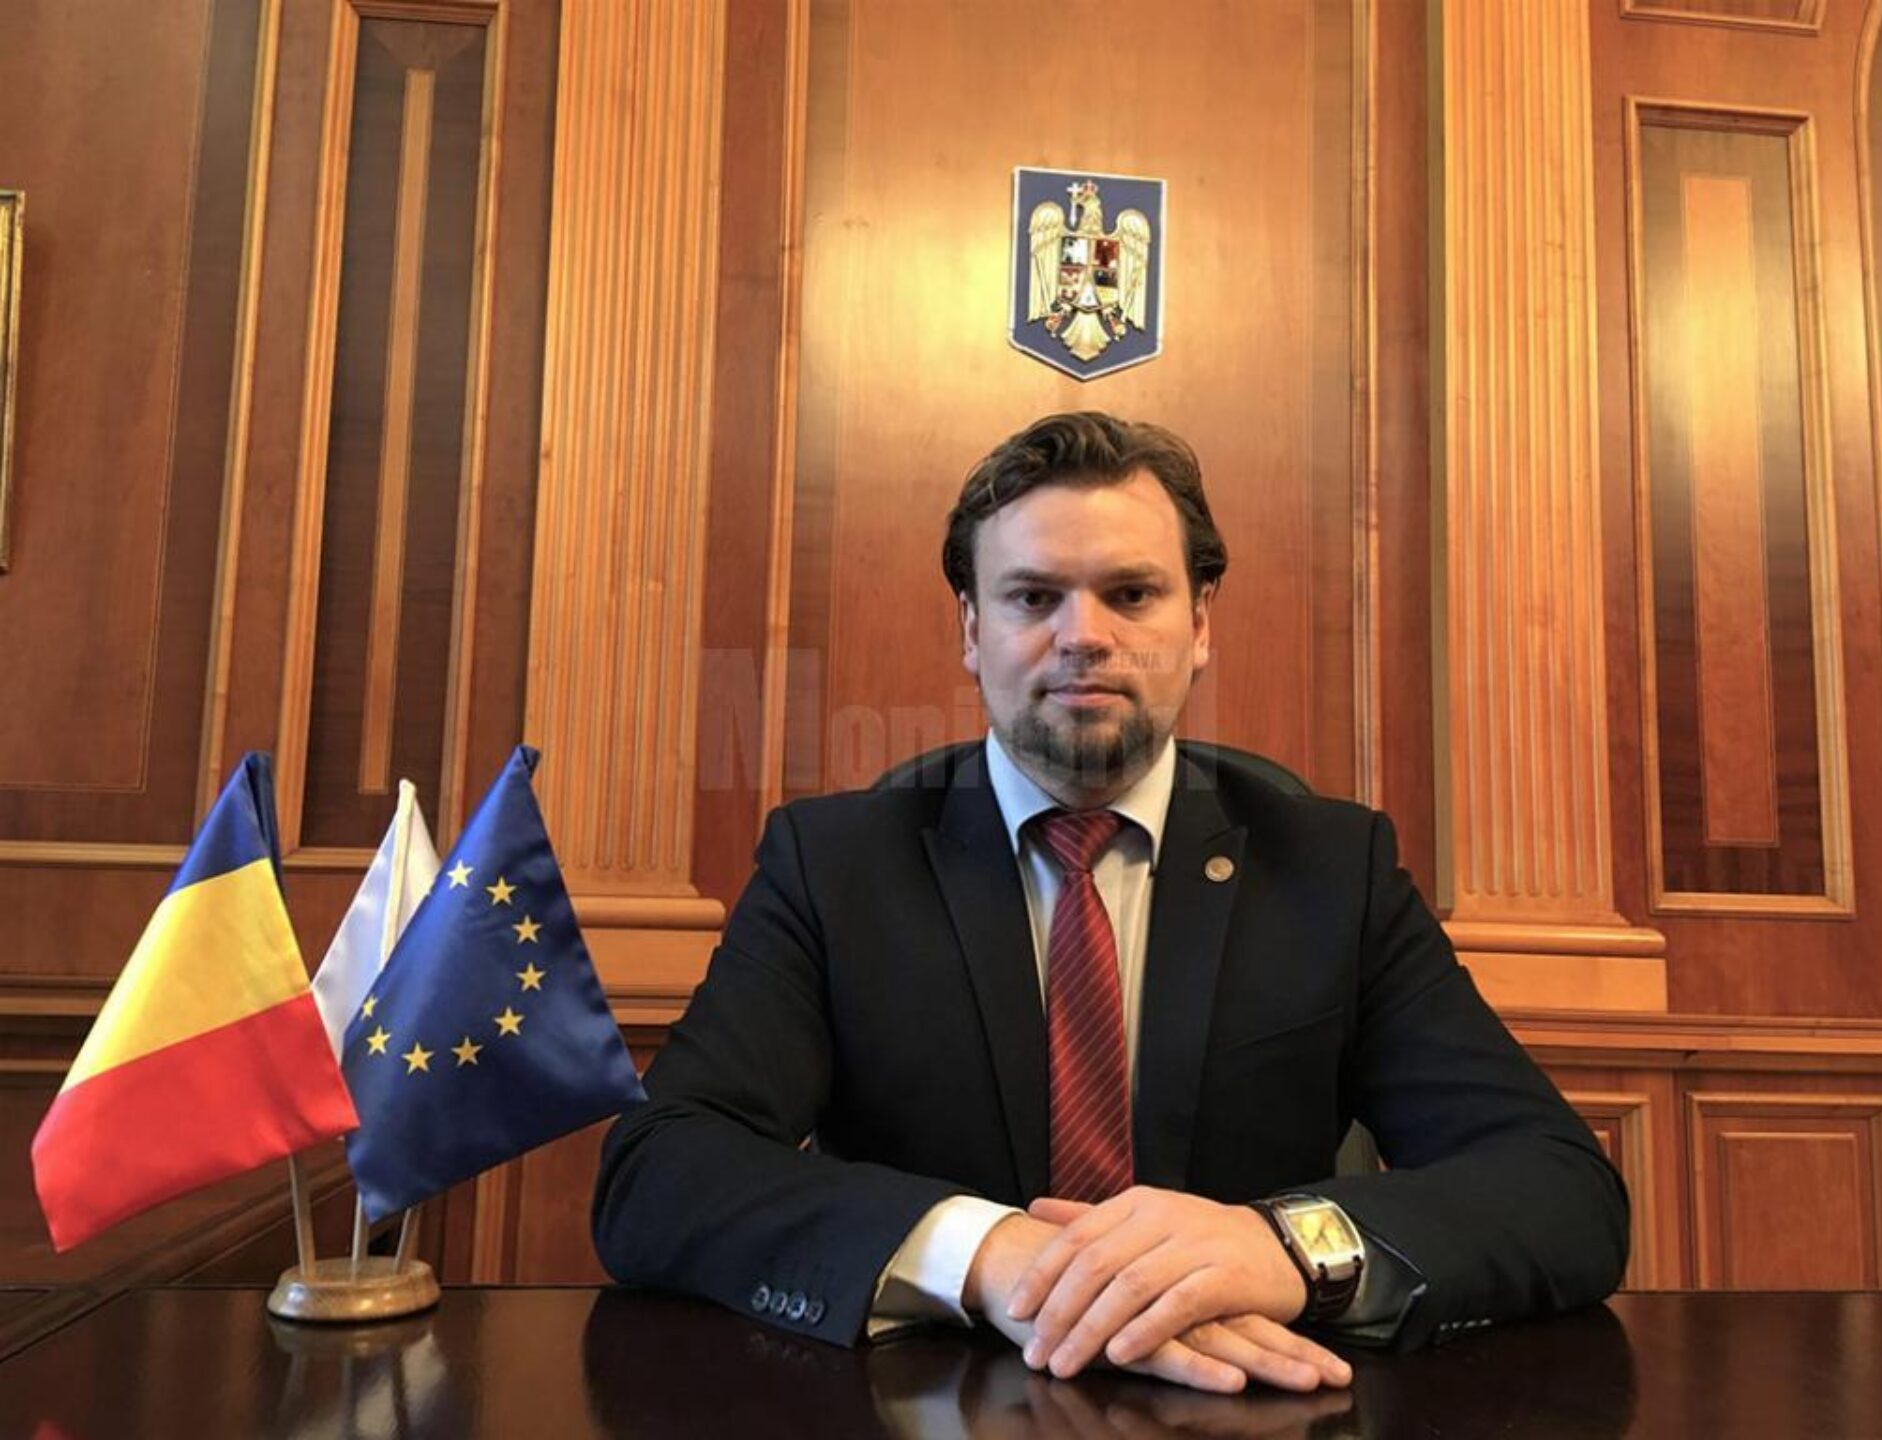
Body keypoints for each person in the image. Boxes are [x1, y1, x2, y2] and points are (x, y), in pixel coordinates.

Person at [594, 411, 1629, 1394]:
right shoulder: (834, 867)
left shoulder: (1332, 869)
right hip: (931, 1399)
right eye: (1032, 597)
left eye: (1131, 594)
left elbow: (1560, 1188)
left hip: (1249, 1394)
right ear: (972, 628)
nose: (1082, 636)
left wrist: (1279, 1246)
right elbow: (657, 1169)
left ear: (1200, 623)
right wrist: (988, 1252)